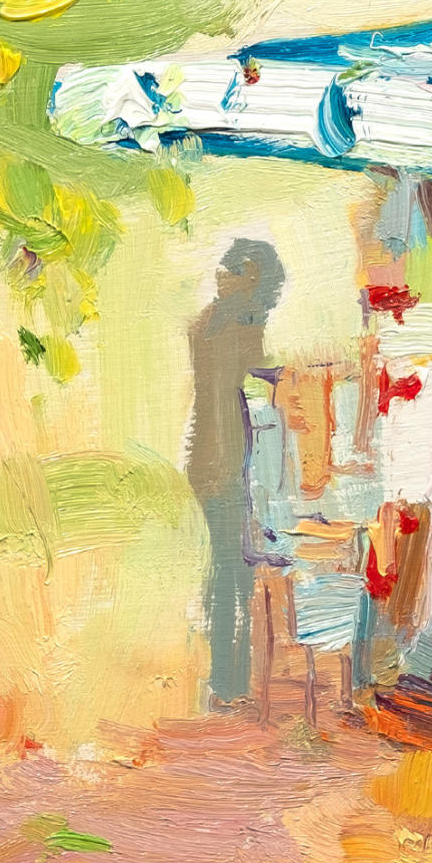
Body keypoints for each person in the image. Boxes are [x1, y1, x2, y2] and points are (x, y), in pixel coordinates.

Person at [183, 235, 286, 708]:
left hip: (213, 461)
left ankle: (228, 679)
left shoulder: (212, 322)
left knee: (228, 570)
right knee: (232, 573)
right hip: (225, 464)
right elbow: (255, 374)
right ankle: (228, 682)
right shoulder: (236, 325)